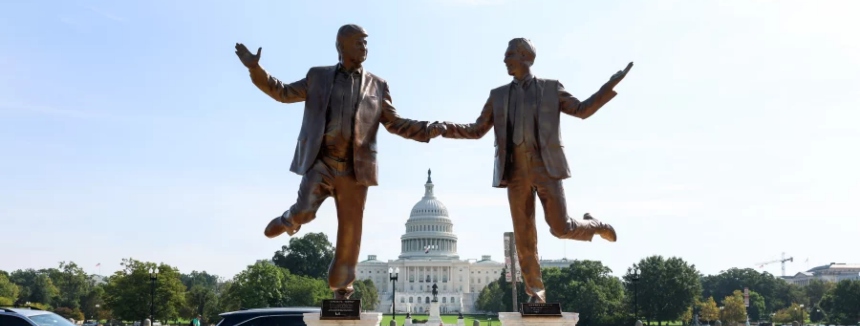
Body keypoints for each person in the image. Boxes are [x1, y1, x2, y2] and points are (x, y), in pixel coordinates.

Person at [235, 24, 444, 300]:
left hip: (355, 169)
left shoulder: (378, 85)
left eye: (366, 43)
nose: (364, 48)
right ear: (341, 46)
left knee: (350, 229)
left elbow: (395, 123)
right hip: (321, 162)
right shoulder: (318, 76)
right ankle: (290, 219)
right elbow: (282, 92)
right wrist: (255, 69)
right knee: (305, 211)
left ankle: (342, 286)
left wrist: (427, 129)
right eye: (359, 43)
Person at [432, 38, 632, 303]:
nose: (505, 60)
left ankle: (596, 225)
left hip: (546, 167)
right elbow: (477, 129)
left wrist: (609, 86)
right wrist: (445, 128)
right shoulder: (498, 96)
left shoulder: (550, 88)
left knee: (560, 228)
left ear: (526, 57)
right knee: (524, 237)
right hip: (515, 173)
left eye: (510, 55)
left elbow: (582, 110)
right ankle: (536, 292)